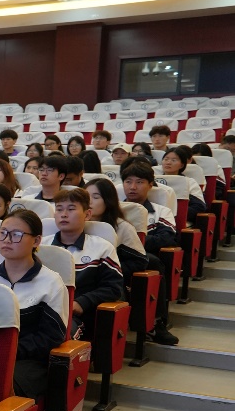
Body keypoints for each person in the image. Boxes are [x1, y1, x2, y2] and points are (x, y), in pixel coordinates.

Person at [0, 209, 68, 399]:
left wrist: (6, 351)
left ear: (36, 241)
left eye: (16, 234)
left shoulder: (51, 282)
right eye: (2, 232)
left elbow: (51, 338)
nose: (6, 240)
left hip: (29, 362)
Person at [50, 188, 124, 340]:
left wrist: (82, 302)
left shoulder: (102, 247)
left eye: (71, 209)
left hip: (78, 316)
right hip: (41, 311)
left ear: (87, 214)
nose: (64, 214)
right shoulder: (41, 247)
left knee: (55, 335)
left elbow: (113, 288)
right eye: (59, 209)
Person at [121, 158, 179, 344]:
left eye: (139, 182)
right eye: (128, 181)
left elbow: (166, 238)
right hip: (114, 256)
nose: (133, 187)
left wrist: (133, 244)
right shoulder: (113, 210)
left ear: (150, 185)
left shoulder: (160, 211)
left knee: (152, 261)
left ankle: (156, 323)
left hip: (141, 258)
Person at [160, 146, 206, 223]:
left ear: (182, 165)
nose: (168, 162)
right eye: (166, 159)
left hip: (178, 220)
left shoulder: (189, 182)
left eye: (173, 160)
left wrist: (173, 212)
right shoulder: (153, 180)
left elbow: (199, 207)